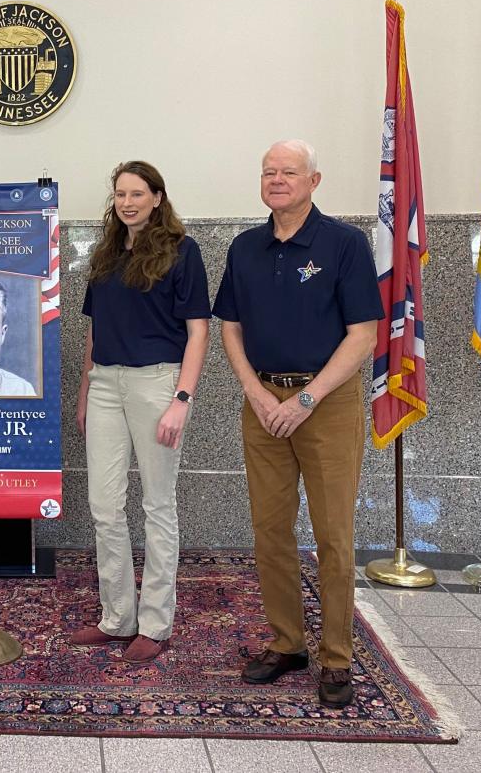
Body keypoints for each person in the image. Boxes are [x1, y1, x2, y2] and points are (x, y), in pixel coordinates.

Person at [212, 139, 382, 708]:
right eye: (269, 172)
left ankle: (336, 657)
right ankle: (287, 643)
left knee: (334, 536)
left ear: (314, 180)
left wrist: (305, 400)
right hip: (263, 403)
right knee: (270, 530)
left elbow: (363, 335)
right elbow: (229, 326)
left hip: (325, 405)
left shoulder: (344, 244)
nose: (277, 180)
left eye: (289, 172)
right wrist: (255, 392)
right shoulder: (245, 247)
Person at [73, 161, 210, 662]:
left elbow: (199, 331)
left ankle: (154, 624)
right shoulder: (107, 254)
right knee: (105, 505)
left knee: (157, 505)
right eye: (120, 194)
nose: (128, 202)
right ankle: (117, 618)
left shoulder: (182, 251)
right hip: (106, 382)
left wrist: (182, 399)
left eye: (137, 193)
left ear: (157, 197)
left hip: (158, 383)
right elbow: (93, 331)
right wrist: (86, 392)